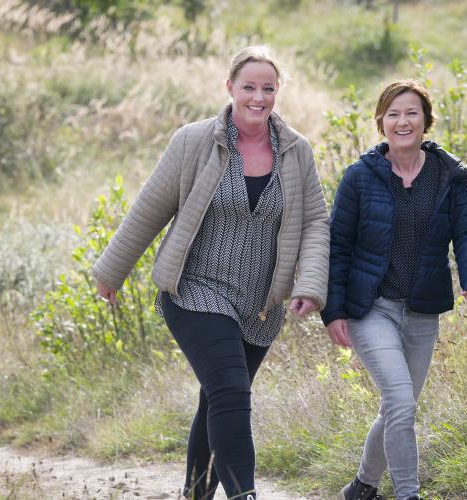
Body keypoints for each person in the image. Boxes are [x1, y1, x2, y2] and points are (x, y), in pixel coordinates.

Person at [92, 45, 329, 500]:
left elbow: (316, 222)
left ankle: (195, 494)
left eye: (268, 88)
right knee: (233, 392)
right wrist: (113, 271)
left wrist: (310, 286)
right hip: (195, 289)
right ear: (230, 88)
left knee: (217, 398)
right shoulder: (195, 141)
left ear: (278, 92)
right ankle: (246, 494)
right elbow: (150, 207)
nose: (258, 97)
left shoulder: (297, 152)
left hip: (260, 304)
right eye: (249, 87)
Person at [321, 80, 467, 500]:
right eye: (393, 114)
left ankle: (362, 486)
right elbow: (337, 246)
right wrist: (334, 311)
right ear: (381, 123)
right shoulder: (360, 178)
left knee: (398, 407)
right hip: (370, 308)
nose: (403, 121)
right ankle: (408, 493)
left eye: (411, 112)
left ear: (426, 121)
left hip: (422, 310)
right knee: (399, 401)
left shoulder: (448, 176)